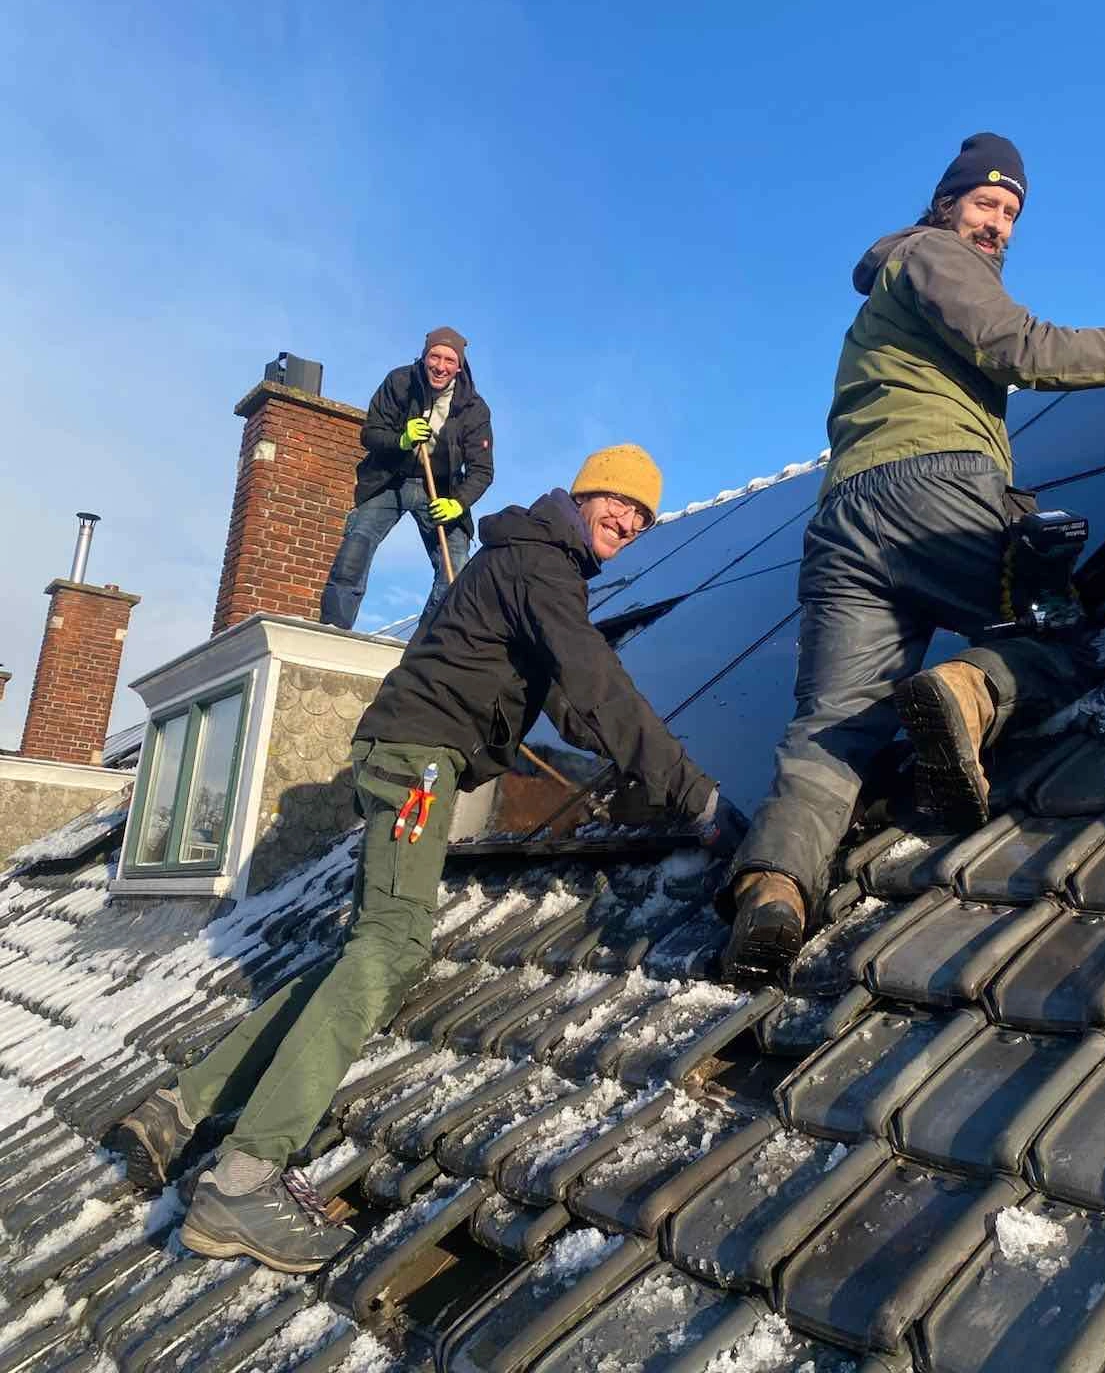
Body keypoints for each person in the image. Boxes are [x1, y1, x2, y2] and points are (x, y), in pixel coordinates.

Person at [111, 444, 720, 1272]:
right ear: (583, 495)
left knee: (358, 954)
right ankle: (242, 1184)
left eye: (644, 515)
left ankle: (179, 1110)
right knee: (393, 948)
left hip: (406, 753)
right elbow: (601, 687)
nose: (632, 522)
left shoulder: (526, 561)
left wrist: (621, 764)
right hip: (421, 764)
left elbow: (579, 710)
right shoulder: (541, 565)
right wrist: (701, 797)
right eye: (618, 501)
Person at [721, 132, 1105, 986]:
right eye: (987, 203)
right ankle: (970, 689)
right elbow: (1018, 344)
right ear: (946, 203)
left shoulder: (881, 300)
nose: (999, 226)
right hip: (932, 487)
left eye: (1011, 213)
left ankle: (774, 890)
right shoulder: (935, 255)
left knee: (836, 723)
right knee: (1059, 633)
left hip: (842, 522)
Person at [319, 327, 494, 632]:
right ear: (424, 356)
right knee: (355, 549)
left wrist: (458, 503)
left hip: (440, 491)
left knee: (455, 567)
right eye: (434, 356)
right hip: (391, 479)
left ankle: (424, 647)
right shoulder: (400, 383)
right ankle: (334, 628)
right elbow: (370, 433)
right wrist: (401, 440)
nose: (440, 366)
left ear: (460, 366)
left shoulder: (474, 409)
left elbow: (482, 471)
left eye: (449, 360)